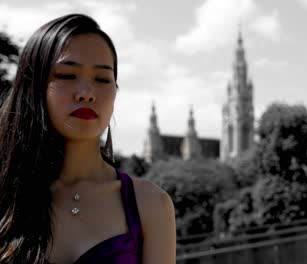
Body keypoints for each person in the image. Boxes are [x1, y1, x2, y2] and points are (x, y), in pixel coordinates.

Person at [0, 14, 176, 263]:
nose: (86, 94)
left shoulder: (151, 205)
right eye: (67, 75)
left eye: (102, 79)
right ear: (33, 86)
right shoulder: (7, 196)